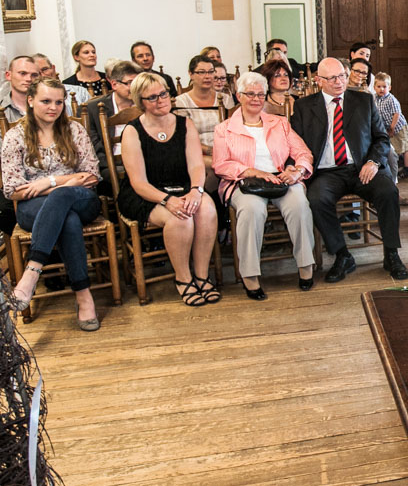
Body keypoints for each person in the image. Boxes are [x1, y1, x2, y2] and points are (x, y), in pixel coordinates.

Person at [290, 57, 408, 281]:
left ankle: (391, 253)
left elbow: (382, 138)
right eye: (332, 78)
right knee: (316, 199)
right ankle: (343, 256)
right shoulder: (304, 107)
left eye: (342, 76)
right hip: (326, 172)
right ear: (319, 80)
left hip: (362, 168)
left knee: (388, 191)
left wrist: (373, 162)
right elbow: (295, 145)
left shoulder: (363, 101)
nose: (339, 82)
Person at [1, 78, 102, 329]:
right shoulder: (15, 136)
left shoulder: (74, 130)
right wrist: (71, 180)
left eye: (59, 102)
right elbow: (13, 189)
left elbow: (91, 176)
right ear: (31, 100)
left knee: (60, 198)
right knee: (67, 218)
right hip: (32, 207)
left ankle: (32, 271)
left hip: (81, 200)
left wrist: (50, 182)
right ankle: (84, 296)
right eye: (46, 101)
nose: (53, 107)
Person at [116, 73, 220, 306]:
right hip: (146, 193)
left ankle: (202, 275)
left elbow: (195, 164)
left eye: (163, 93)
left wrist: (196, 190)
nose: (160, 100)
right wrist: (167, 200)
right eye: (151, 97)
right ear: (140, 101)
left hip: (183, 184)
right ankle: (183, 279)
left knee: (207, 209)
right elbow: (139, 182)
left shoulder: (185, 123)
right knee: (180, 217)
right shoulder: (132, 131)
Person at [213, 71, 315, 299]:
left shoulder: (279, 123)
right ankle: (250, 276)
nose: (256, 99)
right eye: (250, 94)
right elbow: (220, 165)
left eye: (261, 94)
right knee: (252, 210)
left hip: (280, 178)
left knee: (299, 204)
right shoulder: (225, 129)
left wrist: (297, 171)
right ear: (239, 96)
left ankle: (306, 266)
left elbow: (302, 152)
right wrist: (250, 171)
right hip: (244, 182)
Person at [86, 60, 140, 187]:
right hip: (110, 166)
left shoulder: (144, 104)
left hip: (142, 162)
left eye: (138, 84)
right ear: (114, 84)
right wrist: (114, 164)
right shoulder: (93, 109)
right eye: (130, 83)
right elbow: (94, 149)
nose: (135, 89)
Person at [374, 73, 408, 178]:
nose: (381, 89)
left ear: (389, 88)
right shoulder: (375, 98)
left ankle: (407, 169)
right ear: (374, 87)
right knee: (393, 148)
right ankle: (396, 164)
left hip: (399, 128)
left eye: (384, 87)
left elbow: (397, 114)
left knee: (404, 148)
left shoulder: (391, 99)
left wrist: (392, 127)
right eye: (379, 87)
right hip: (387, 128)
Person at [1, 55, 39, 123]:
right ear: (8, 75)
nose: (29, 79)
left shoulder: (49, 106)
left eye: (34, 75)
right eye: (23, 73)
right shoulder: (2, 110)